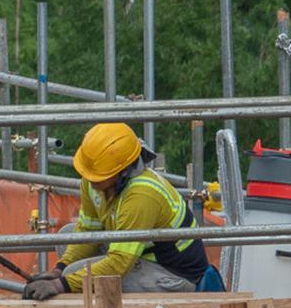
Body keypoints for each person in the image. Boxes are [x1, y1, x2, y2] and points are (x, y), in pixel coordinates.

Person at [22, 123, 214, 297]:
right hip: (139, 257)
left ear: (122, 171)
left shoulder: (142, 194)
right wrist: (58, 270)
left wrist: (60, 284)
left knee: (74, 276)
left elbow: (120, 262)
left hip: (173, 275)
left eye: (97, 175)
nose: (90, 180)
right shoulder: (95, 181)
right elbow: (88, 231)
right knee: (68, 236)